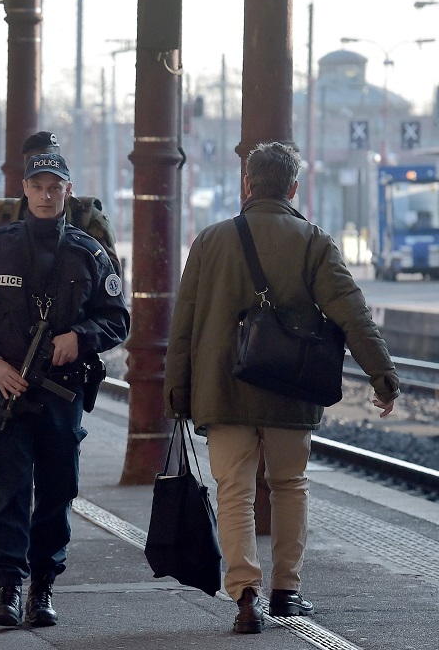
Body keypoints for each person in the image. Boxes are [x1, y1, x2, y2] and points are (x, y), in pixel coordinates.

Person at [164, 141, 400, 635]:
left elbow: (182, 325)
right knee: (289, 486)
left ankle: (245, 594)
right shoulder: (314, 242)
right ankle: (287, 592)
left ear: (247, 183)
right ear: (294, 186)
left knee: (234, 491)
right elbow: (352, 313)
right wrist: (382, 375)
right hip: (290, 388)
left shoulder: (209, 241)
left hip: (223, 389)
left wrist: (177, 391)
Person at [0, 153, 129, 628]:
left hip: (61, 397)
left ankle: (43, 589)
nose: (47, 195)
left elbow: (118, 318)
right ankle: (9, 589)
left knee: (55, 494)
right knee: (10, 493)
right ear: (25, 191)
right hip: (7, 395)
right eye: (39, 186)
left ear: (67, 191)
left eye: (56, 187)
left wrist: (81, 338)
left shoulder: (89, 253)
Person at [0, 131, 121, 275]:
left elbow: (111, 276)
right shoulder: (3, 217)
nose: (45, 196)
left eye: (53, 186)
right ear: (26, 182)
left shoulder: (86, 215)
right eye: (37, 184)